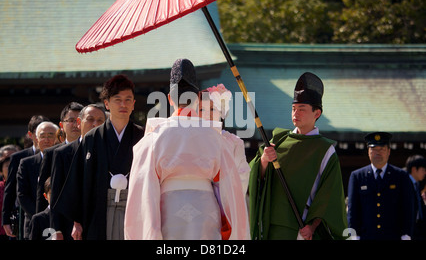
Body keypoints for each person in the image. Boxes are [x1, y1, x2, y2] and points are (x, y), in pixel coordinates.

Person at [124, 58, 249, 240]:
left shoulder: (152, 138)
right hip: (206, 213)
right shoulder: (215, 137)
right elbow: (230, 189)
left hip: (169, 212)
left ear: (169, 99)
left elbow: (143, 193)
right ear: (198, 97)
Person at [248, 72, 347, 240]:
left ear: (317, 113)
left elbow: (328, 194)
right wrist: (264, 160)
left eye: (302, 109)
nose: (296, 113)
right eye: (293, 109)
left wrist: (312, 225)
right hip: (272, 223)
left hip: (301, 227)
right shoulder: (278, 140)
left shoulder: (325, 149)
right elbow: (253, 175)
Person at [55, 75, 144, 240]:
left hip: (135, 207)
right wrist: (77, 221)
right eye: (117, 99)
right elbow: (78, 180)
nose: (123, 104)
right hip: (98, 209)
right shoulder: (92, 138)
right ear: (107, 103)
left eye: (128, 99)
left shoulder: (143, 135)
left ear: (133, 104)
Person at [51, 103, 106, 240]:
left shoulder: (108, 151)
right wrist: (56, 229)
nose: (95, 124)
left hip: (101, 223)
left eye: (100, 121)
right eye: (90, 119)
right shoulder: (62, 153)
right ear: (79, 122)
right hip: (69, 228)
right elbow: (55, 194)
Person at [347, 132, 415, 240]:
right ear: (368, 152)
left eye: (382, 149)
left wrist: (406, 234)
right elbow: (352, 210)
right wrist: (353, 235)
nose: (378, 153)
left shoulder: (400, 176)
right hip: (366, 236)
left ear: (389, 151)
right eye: (374, 149)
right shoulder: (357, 176)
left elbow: (408, 208)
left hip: (394, 236)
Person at [3, 115, 49, 239]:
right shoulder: (19, 158)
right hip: (29, 215)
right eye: (39, 132)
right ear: (31, 134)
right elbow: (11, 188)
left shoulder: (57, 153)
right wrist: (5, 218)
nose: (44, 137)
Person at [36, 102, 83, 213]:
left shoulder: (91, 150)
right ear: (61, 125)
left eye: (79, 121)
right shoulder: (52, 153)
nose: (76, 125)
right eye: (71, 121)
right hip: (59, 214)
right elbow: (42, 190)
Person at [17, 121, 59, 239]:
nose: (46, 139)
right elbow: (22, 195)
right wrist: (40, 216)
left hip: (61, 222)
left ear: (58, 137)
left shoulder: (64, 158)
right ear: (35, 138)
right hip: (33, 222)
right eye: (42, 136)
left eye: (50, 135)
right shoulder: (26, 163)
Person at [406, 156, 426, 240]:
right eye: (423, 170)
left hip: (419, 227)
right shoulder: (404, 184)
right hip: (409, 228)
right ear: (414, 169)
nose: (425, 173)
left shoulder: (417, 184)